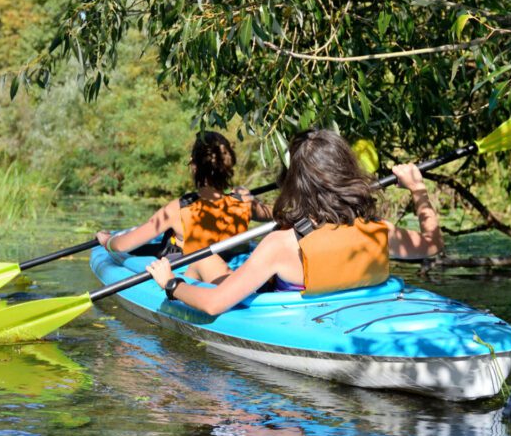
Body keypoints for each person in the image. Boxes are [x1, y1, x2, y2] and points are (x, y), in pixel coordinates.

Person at [144, 129, 443, 315]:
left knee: (204, 265)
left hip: (295, 321)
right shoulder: (379, 230)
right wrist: (418, 189)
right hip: (355, 312)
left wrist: (171, 283)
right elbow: (431, 245)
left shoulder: (281, 243)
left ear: (294, 182)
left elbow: (213, 304)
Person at [96, 131, 272, 283]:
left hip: (199, 279)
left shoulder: (176, 210)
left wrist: (107, 241)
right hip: (233, 270)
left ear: (194, 166)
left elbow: (122, 245)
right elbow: (272, 213)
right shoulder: (244, 200)